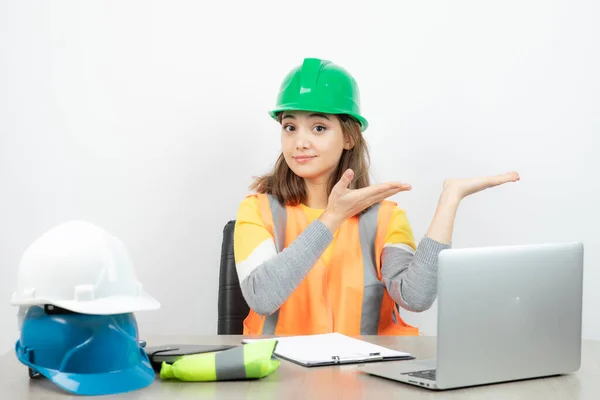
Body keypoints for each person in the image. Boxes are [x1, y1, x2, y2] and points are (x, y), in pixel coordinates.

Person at [233, 57, 519, 336]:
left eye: (319, 127)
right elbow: (262, 297)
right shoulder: (258, 211)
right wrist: (332, 218)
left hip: (368, 375)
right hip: (282, 373)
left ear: (349, 137)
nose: (300, 142)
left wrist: (450, 199)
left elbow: (416, 297)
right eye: (289, 127)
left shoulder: (386, 218)